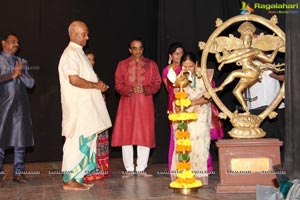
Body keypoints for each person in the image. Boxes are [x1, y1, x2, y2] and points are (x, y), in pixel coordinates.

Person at [58, 21, 111, 190]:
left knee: (87, 142)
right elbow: (73, 80)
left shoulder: (79, 53)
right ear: (73, 34)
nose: (87, 37)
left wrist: (98, 84)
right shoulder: (70, 54)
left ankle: (78, 178)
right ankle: (69, 180)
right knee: (75, 143)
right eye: (84, 34)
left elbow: (87, 77)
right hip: (77, 109)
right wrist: (95, 86)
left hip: (87, 109)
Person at [111, 38, 161, 178]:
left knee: (144, 135)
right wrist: (129, 89)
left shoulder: (151, 65)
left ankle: (141, 169)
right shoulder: (122, 65)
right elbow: (118, 84)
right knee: (126, 135)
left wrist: (145, 89)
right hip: (127, 104)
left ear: (143, 49)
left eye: (140, 48)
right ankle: (128, 169)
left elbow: (157, 83)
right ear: (130, 50)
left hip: (145, 104)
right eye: (134, 48)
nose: (137, 51)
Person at [214, 21, 283, 113]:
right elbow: (222, 60)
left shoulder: (255, 51)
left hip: (253, 71)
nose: (247, 42)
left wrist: (276, 49)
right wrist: (216, 51)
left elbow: (269, 60)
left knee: (234, 73)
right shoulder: (238, 51)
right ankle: (247, 111)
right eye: (245, 40)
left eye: (249, 40)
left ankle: (221, 87)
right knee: (236, 91)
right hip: (247, 74)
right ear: (242, 40)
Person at [170, 52, 212, 185]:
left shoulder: (204, 76)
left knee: (199, 142)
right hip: (184, 113)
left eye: (191, 66)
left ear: (197, 65)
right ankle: (184, 174)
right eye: (185, 66)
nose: (188, 69)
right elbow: (177, 97)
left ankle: (197, 175)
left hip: (201, 112)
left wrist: (193, 103)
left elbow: (208, 97)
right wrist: (180, 107)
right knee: (184, 143)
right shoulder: (179, 78)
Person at [0, 32, 35, 187]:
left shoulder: (22, 61)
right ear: (3, 43)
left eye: (17, 43)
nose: (16, 45)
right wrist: (11, 75)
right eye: (12, 41)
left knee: (20, 142)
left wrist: (20, 74)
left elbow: (31, 84)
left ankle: (18, 173)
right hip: (3, 108)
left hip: (20, 109)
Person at [83, 50, 110, 182]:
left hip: (97, 115)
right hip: (85, 116)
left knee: (98, 142)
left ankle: (99, 168)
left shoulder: (96, 77)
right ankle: (85, 170)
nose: (91, 62)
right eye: (88, 59)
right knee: (87, 143)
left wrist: (102, 90)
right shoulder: (79, 78)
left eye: (92, 60)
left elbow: (100, 98)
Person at [161, 42, 184, 171]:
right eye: (176, 53)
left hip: (188, 102)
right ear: (171, 55)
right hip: (174, 102)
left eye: (181, 53)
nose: (179, 56)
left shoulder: (187, 68)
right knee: (176, 133)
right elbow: (168, 89)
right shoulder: (166, 70)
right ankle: (175, 165)